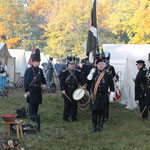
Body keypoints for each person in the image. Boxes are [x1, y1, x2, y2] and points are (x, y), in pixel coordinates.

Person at [87, 58, 115, 133]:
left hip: (104, 96)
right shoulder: (93, 72)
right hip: (95, 95)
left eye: (102, 64)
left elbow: (112, 85)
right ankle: (94, 127)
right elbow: (88, 81)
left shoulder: (108, 74)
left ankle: (100, 127)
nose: (100, 65)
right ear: (96, 65)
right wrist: (90, 73)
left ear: (104, 65)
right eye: (99, 64)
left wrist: (112, 94)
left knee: (102, 111)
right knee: (94, 111)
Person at [60, 55, 86, 122]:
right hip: (66, 90)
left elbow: (81, 80)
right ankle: (65, 118)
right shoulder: (64, 72)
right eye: (71, 64)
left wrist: (83, 85)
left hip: (75, 90)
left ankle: (74, 118)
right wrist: (62, 89)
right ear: (68, 64)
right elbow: (62, 82)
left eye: (73, 64)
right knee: (67, 105)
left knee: (74, 105)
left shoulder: (78, 72)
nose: (72, 66)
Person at [24, 49, 46, 119]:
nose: (38, 63)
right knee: (31, 104)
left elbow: (43, 79)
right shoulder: (28, 70)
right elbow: (26, 81)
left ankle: (35, 116)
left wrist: (44, 83)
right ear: (33, 62)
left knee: (36, 104)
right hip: (31, 89)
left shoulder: (40, 70)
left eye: (39, 62)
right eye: (37, 62)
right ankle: (31, 117)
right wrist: (26, 91)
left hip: (38, 89)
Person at [101, 50, 118, 122]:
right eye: (104, 59)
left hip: (108, 87)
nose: (105, 61)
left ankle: (106, 117)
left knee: (106, 104)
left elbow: (115, 76)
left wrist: (116, 78)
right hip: (100, 87)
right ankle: (100, 117)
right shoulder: (99, 67)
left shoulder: (111, 68)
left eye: (107, 59)